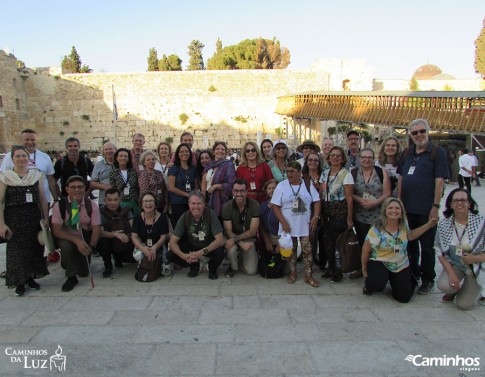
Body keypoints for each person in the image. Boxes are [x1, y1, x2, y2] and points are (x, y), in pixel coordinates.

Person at [397, 118, 449, 295]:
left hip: (426, 207)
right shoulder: (406, 153)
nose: (419, 135)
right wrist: (398, 203)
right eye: (415, 132)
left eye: (422, 131)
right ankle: (413, 272)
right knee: (409, 244)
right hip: (407, 208)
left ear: (428, 131)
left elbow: (439, 181)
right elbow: (401, 179)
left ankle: (428, 278)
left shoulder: (436, 152)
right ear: (410, 135)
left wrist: (435, 206)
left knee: (427, 246)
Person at [362, 198, 437, 303]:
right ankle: (369, 285)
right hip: (380, 261)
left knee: (403, 298)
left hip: (399, 263)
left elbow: (411, 236)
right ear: (385, 211)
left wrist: (428, 225)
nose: (394, 211)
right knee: (377, 284)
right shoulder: (377, 228)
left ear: (401, 213)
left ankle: (402, 280)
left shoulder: (403, 225)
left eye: (397, 208)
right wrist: (364, 269)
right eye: (391, 208)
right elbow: (366, 250)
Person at [0, 145, 50, 296]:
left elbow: (42, 198)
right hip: (13, 218)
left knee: (34, 249)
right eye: (18, 156)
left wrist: (46, 218)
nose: (21, 159)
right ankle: (19, 282)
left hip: (33, 216)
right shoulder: (5, 177)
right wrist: (1, 224)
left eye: (24, 156)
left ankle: (30, 278)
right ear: (12, 159)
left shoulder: (36, 175)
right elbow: (0, 201)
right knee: (16, 251)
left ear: (28, 159)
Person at [271, 161, 321, 287]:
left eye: (292, 171)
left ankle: (308, 275)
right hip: (288, 225)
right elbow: (275, 206)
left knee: (307, 250)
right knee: (291, 250)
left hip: (305, 224)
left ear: (299, 172)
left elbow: (317, 201)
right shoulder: (281, 186)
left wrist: (315, 217)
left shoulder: (307, 185)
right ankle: (293, 272)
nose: (289, 174)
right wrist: (283, 223)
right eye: (287, 171)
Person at [435, 188, 485, 310]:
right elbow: (439, 251)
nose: (459, 203)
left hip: (476, 267)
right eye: (455, 200)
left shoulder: (481, 224)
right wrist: (451, 274)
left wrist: (475, 258)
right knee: (444, 285)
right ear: (450, 205)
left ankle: (474, 291)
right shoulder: (444, 224)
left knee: (464, 305)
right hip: (457, 265)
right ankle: (454, 290)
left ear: (470, 204)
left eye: (463, 200)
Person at [51, 176, 101, 292]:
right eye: (73, 187)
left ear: (85, 188)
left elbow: (96, 229)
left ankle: (68, 262)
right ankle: (71, 277)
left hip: (85, 238)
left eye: (80, 187)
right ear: (67, 189)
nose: (77, 190)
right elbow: (57, 230)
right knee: (67, 246)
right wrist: (76, 240)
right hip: (67, 237)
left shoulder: (92, 205)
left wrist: (91, 246)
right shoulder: (60, 206)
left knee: (84, 272)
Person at [350, 148, 391, 279]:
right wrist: (361, 201)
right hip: (360, 214)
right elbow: (350, 192)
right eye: (363, 157)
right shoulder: (354, 172)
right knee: (363, 242)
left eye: (369, 157)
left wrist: (375, 203)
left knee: (377, 242)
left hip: (378, 215)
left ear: (374, 159)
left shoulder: (381, 172)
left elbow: (387, 193)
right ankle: (362, 268)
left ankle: (376, 268)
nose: (366, 159)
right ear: (359, 159)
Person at [168, 191, 225, 279]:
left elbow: (220, 240)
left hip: (208, 247)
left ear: (203, 204)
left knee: (220, 252)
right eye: (193, 203)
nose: (196, 207)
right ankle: (194, 265)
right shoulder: (185, 217)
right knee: (171, 254)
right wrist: (184, 256)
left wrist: (201, 253)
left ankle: (212, 267)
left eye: (199, 203)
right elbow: (172, 242)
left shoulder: (211, 214)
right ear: (188, 204)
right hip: (192, 246)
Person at [319, 146, 354, 283]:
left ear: (342, 158)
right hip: (326, 210)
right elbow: (322, 192)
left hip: (339, 210)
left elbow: (349, 198)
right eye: (332, 155)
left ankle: (338, 271)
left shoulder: (346, 174)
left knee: (336, 241)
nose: (335, 158)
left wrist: (349, 218)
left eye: (338, 156)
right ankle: (331, 268)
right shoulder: (325, 173)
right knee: (327, 240)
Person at [0, 128, 60, 204]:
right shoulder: (10, 156)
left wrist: (55, 199)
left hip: (42, 200)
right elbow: (3, 178)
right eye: (27, 140)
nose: (30, 142)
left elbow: (50, 180)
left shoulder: (45, 157)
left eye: (32, 140)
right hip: (16, 202)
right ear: (21, 140)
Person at [223, 179, 261, 277]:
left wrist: (239, 241)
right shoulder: (227, 207)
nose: (239, 194)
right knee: (232, 249)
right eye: (236, 191)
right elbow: (228, 231)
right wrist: (240, 243)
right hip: (232, 236)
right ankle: (233, 267)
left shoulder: (255, 205)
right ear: (232, 192)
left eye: (242, 191)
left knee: (251, 271)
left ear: (246, 191)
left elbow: (252, 231)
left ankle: (241, 259)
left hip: (247, 237)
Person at [98, 188, 134, 277]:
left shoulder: (126, 209)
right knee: (103, 241)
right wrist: (116, 234)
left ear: (120, 199)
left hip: (125, 238)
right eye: (109, 200)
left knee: (129, 258)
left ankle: (120, 258)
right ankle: (108, 265)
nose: (113, 203)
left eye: (115, 200)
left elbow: (133, 227)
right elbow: (100, 232)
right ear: (104, 200)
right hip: (110, 238)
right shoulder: (100, 211)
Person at [131, 192, 170, 274]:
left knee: (165, 272)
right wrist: (143, 248)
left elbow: (164, 236)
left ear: (155, 204)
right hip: (144, 244)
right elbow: (134, 236)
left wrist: (155, 247)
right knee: (138, 255)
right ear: (141, 204)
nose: (148, 204)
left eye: (151, 201)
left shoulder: (162, 217)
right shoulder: (137, 217)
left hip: (159, 244)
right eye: (145, 201)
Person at [201, 141, 235, 218]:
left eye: (223, 149)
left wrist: (216, 186)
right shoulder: (209, 166)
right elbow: (203, 185)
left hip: (222, 202)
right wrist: (202, 201)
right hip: (208, 201)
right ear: (213, 152)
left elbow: (231, 185)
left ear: (226, 153)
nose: (220, 151)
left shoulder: (229, 165)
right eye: (217, 149)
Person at [167, 143, 198, 227]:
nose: (184, 153)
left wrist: (193, 195)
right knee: (180, 225)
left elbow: (195, 185)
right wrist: (187, 194)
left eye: (186, 151)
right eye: (181, 151)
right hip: (178, 202)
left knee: (191, 223)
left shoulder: (193, 168)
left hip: (191, 202)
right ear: (178, 154)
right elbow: (171, 187)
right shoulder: (174, 168)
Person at [301, 152, 324, 264]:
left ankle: (316, 255)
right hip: (307, 208)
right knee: (308, 232)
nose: (313, 162)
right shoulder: (303, 176)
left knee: (319, 232)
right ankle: (306, 253)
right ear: (306, 162)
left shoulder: (323, 176)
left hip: (322, 207)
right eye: (310, 160)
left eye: (315, 160)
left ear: (319, 163)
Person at [109, 148, 140, 216]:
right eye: (121, 156)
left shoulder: (133, 171)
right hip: (120, 203)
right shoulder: (113, 172)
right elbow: (113, 188)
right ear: (117, 158)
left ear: (128, 159)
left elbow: (137, 187)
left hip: (133, 202)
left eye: (125, 156)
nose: (123, 158)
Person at [90, 142, 116, 207]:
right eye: (106, 149)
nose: (108, 151)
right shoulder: (98, 165)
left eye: (110, 149)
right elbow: (92, 183)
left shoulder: (121, 163)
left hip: (119, 200)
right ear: (103, 152)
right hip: (104, 200)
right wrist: (105, 186)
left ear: (115, 150)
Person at [258, 179, 280, 257]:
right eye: (269, 188)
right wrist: (267, 241)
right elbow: (260, 224)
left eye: (274, 188)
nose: (272, 190)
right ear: (266, 191)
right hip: (268, 239)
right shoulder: (263, 206)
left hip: (282, 240)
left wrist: (281, 244)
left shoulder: (284, 205)